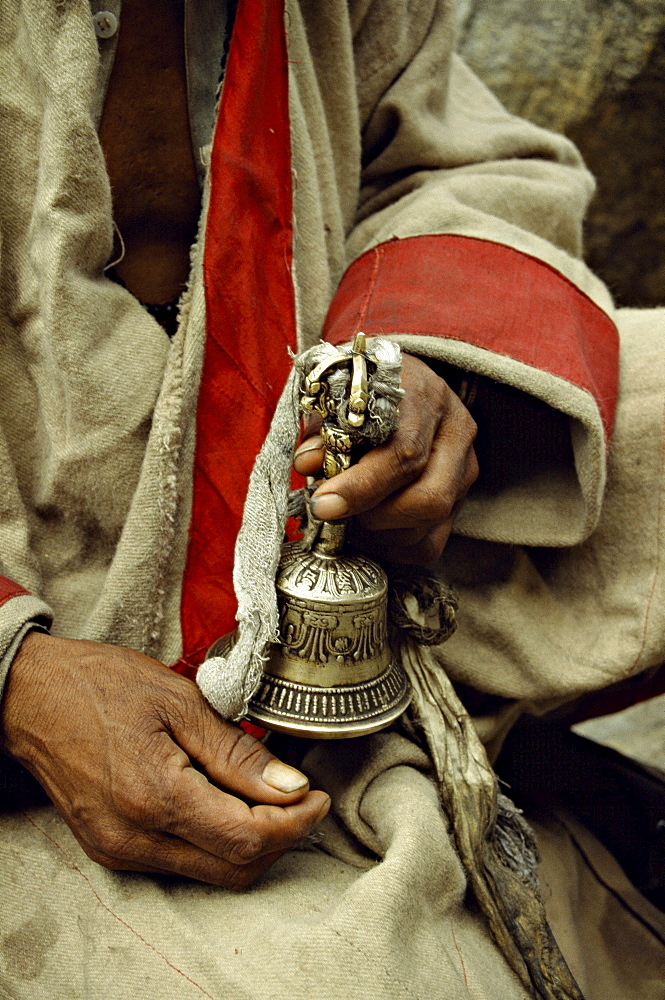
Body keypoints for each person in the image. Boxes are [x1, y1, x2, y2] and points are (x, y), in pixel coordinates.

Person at [0, 1, 663, 998]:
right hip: (44, 584)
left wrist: (425, 364)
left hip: (324, 498)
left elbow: (451, 156)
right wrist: (18, 677)